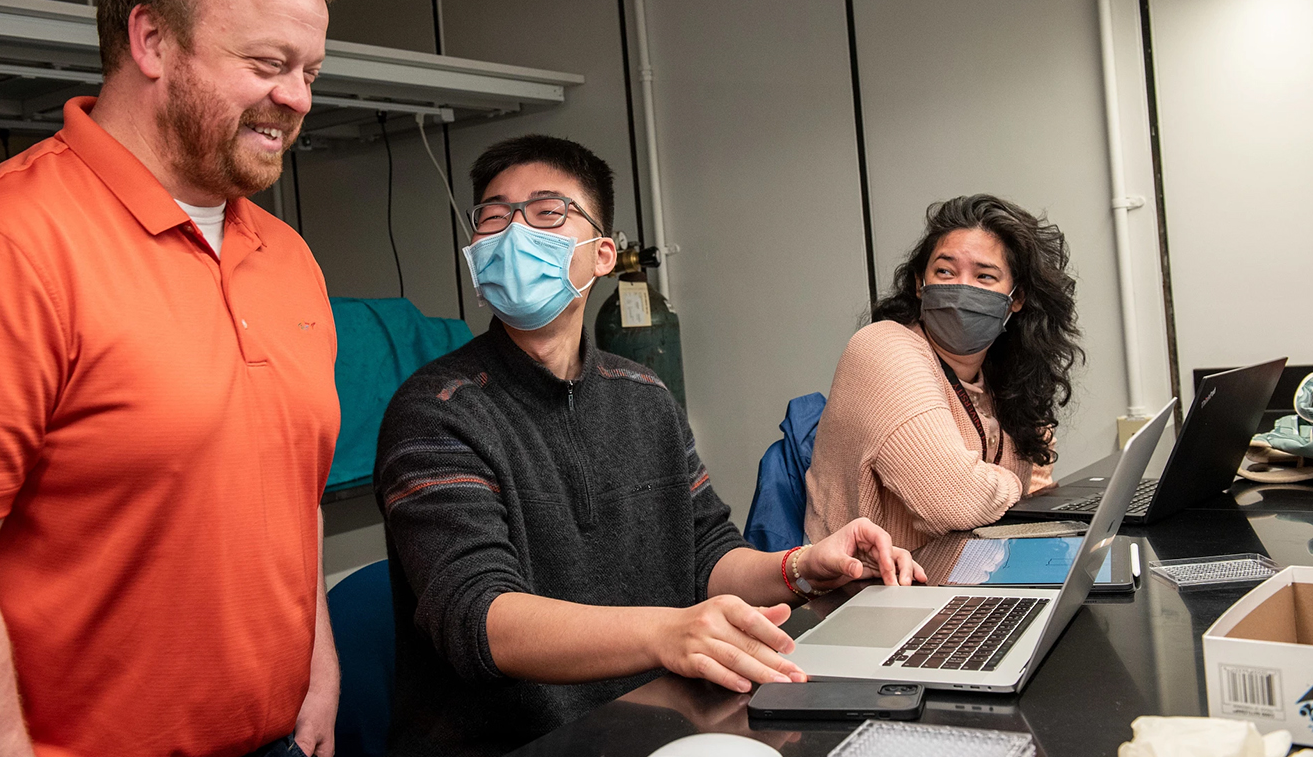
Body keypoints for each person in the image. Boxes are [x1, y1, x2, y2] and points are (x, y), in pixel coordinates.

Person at [0, 0, 345, 757]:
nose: (299, 98)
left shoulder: (288, 258)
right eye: (270, 63)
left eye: (311, 70)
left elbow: (294, 496)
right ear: (152, 40)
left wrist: (318, 664)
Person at [374, 135, 924, 757]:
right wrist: (669, 632)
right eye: (494, 217)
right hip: (516, 742)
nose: (514, 233)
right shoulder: (435, 410)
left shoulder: (643, 394)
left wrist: (800, 567)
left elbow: (706, 556)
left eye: (547, 212)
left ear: (602, 253)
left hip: (660, 723)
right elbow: (478, 615)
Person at [805, 194, 1084, 551]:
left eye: (984, 276)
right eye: (945, 271)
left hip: (965, 579)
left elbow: (1037, 483)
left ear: (1016, 298)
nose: (960, 288)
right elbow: (954, 501)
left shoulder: (1003, 377)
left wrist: (991, 482)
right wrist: (1013, 483)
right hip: (867, 593)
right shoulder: (882, 347)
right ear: (921, 284)